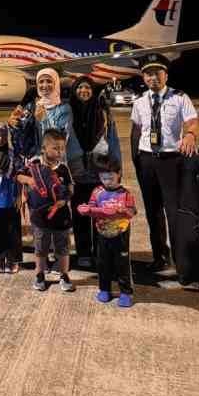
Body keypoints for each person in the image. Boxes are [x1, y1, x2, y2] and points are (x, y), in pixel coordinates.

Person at [129, 53, 199, 274]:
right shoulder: (139, 101)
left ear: (165, 75)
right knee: (153, 212)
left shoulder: (180, 97)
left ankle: (182, 262)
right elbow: (136, 130)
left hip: (171, 160)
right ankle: (160, 257)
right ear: (143, 78)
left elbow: (192, 121)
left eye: (157, 73)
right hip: (147, 160)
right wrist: (136, 159)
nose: (153, 78)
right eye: (148, 74)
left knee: (174, 212)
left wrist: (189, 135)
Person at [67, 75, 123, 269]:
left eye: (88, 88)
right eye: (80, 88)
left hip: (100, 171)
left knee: (100, 215)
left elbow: (113, 140)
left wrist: (116, 168)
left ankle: (101, 251)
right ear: (74, 91)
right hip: (78, 173)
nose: (84, 91)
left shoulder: (103, 112)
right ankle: (83, 252)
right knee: (80, 214)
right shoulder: (68, 113)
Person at [15, 128, 76, 293]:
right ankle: (40, 274)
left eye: (62, 148)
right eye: (55, 148)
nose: (60, 152)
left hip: (61, 217)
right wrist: (29, 180)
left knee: (63, 248)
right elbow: (18, 175)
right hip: (40, 218)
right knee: (40, 249)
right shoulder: (34, 164)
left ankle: (64, 275)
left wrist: (64, 199)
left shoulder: (63, 168)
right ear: (44, 148)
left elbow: (70, 188)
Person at [77, 161, 137, 307]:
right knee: (103, 263)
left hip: (120, 233)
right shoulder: (97, 192)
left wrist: (123, 212)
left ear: (119, 175)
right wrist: (86, 210)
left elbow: (132, 212)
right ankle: (104, 289)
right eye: (104, 179)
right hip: (102, 234)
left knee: (122, 263)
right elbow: (91, 207)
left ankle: (125, 292)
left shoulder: (125, 194)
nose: (107, 182)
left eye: (111, 178)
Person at [8, 68, 79, 168]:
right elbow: (22, 138)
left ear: (56, 84)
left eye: (49, 81)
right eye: (41, 82)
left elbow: (61, 141)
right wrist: (14, 125)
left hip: (53, 164)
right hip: (32, 162)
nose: (44, 85)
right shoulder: (31, 106)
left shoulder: (64, 109)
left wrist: (43, 121)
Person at [0, 122, 23, 273]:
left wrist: (20, 196)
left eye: (3, 134)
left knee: (13, 230)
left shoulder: (13, 154)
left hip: (11, 197)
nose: (0, 138)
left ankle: (12, 259)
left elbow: (21, 175)